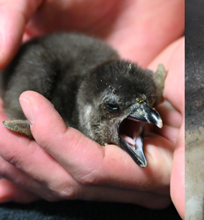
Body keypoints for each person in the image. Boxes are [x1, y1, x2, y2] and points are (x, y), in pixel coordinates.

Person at [0, 0, 184, 219]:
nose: (146, 113)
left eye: (148, 104)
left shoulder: (101, 60)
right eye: (112, 108)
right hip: (45, 66)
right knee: (35, 76)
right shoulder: (44, 75)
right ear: (89, 109)